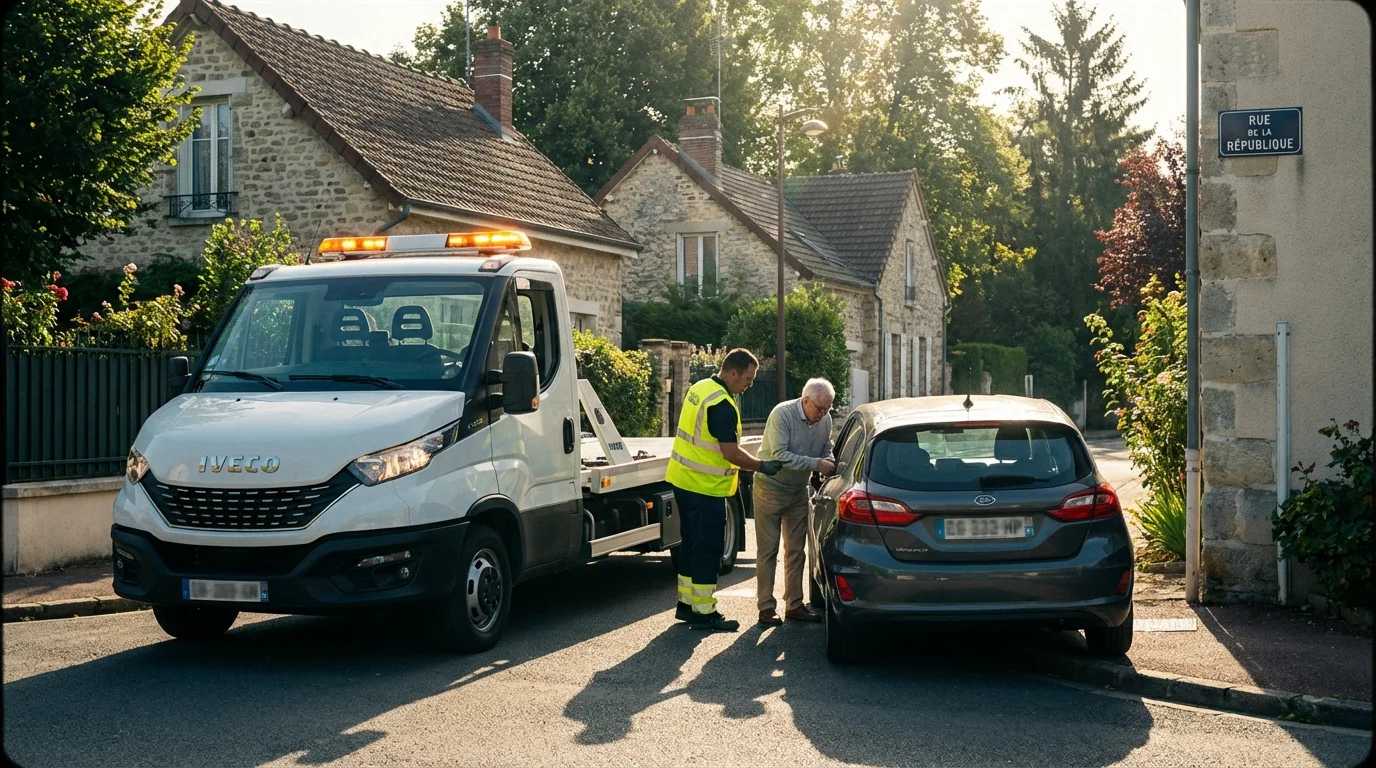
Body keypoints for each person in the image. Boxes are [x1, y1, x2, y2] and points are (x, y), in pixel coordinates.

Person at [666, 348, 782, 632]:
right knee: (707, 548)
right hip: (706, 488)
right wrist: (760, 466)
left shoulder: (701, 387)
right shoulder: (721, 404)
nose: (750, 384)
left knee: (691, 544)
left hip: (683, 480)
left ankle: (686, 604)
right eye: (748, 378)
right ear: (733, 373)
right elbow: (730, 452)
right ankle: (705, 612)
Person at [753, 377, 835, 625]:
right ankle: (766, 608)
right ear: (805, 400)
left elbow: (825, 446)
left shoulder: (825, 418)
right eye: (819, 408)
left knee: (797, 550)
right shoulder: (782, 414)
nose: (823, 414)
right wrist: (816, 464)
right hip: (770, 487)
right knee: (768, 550)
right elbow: (780, 455)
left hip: (799, 489)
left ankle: (794, 604)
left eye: (827, 409)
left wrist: (829, 458)